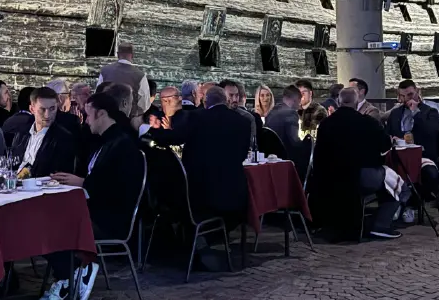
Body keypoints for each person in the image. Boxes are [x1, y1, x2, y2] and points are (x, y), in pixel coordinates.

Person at [46, 92, 142, 300]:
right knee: (43, 218)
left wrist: (82, 183)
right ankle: (70, 274)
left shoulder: (123, 144)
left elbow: (121, 189)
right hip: (96, 209)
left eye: (88, 115)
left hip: (110, 219)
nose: (86, 120)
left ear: (101, 114)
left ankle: (74, 273)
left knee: (50, 225)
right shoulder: (106, 140)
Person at [145, 85, 250, 222]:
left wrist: (150, 130)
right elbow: (242, 156)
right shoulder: (243, 121)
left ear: (205, 101)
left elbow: (175, 138)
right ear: (226, 101)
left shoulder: (196, 117)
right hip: (234, 194)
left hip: (200, 192)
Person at [310, 87, 401, 240]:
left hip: (331, 178)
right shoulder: (368, 122)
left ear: (339, 101)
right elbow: (385, 146)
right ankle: (381, 225)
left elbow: (319, 154)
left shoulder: (326, 124)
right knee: (395, 182)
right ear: (357, 101)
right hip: (361, 176)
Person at [12, 87, 76, 177]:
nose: (47, 115)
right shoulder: (21, 133)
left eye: (52, 109)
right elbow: (12, 164)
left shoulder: (64, 138)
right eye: (42, 109)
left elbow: (59, 175)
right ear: (32, 109)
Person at [385, 80, 439, 158]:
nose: (406, 99)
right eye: (402, 96)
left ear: (417, 92)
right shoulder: (395, 113)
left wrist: (415, 112)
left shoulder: (430, 111)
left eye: (410, 94)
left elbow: (431, 132)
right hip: (399, 154)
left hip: (422, 154)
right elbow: (387, 133)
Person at [97, 43, 150, 118]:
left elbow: (97, 95)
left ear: (118, 55)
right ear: (132, 55)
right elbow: (145, 103)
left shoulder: (105, 71)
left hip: (106, 118)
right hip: (129, 120)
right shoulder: (140, 75)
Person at [265, 85, 306, 164]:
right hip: (286, 159)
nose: (299, 104)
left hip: (270, 158)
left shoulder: (271, 112)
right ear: (295, 100)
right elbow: (295, 142)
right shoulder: (291, 113)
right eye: (299, 100)